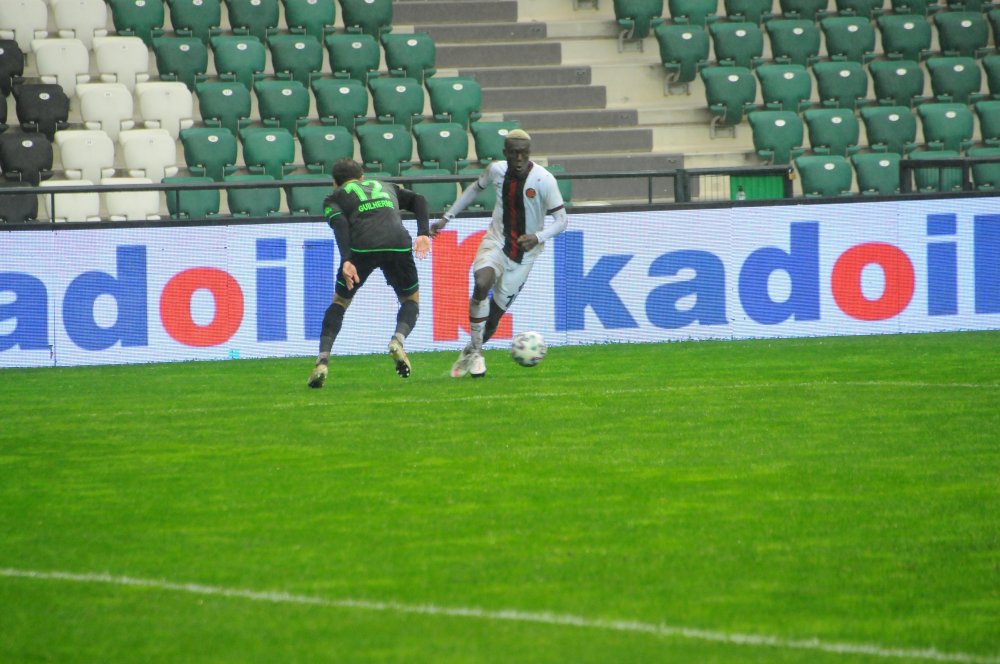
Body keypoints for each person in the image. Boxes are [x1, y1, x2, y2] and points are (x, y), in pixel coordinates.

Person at [429, 129, 567, 378]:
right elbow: (473, 190)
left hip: (525, 255)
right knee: (482, 282)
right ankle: (478, 354)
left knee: (493, 319)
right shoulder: (496, 170)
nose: (518, 158)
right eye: (513, 153)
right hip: (496, 241)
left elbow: (561, 220)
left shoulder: (545, 180)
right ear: (505, 152)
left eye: (523, 153)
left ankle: (471, 350)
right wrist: (446, 218)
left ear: (529, 153)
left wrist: (538, 236)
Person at [308, 159, 431, 388]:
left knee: (340, 302)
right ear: (362, 177)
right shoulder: (386, 185)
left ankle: (322, 360)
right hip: (398, 241)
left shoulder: (334, 197)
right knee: (410, 299)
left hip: (362, 247)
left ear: (335, 182)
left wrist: (346, 259)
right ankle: (398, 340)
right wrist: (423, 232)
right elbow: (419, 200)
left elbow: (341, 225)